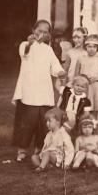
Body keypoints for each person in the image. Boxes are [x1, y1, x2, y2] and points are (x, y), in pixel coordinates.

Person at [12, 20, 67, 163]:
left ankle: (39, 149)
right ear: (33, 29)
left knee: (44, 123)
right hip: (29, 89)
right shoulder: (25, 45)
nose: (42, 33)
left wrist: (60, 72)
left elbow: (54, 65)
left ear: (49, 33)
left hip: (44, 90)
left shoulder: (48, 49)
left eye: (46, 31)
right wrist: (30, 43)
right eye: (39, 30)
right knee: (27, 121)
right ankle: (22, 149)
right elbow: (24, 53)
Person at [74, 34, 98, 124]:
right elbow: (76, 76)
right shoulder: (80, 59)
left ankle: (93, 125)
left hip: (96, 88)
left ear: (97, 48)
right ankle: (81, 125)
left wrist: (96, 78)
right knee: (81, 108)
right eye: (89, 46)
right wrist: (81, 80)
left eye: (94, 47)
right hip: (83, 88)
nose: (91, 49)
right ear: (85, 47)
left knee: (95, 108)